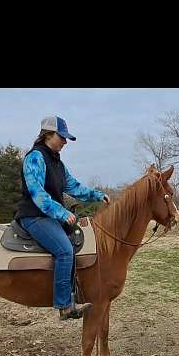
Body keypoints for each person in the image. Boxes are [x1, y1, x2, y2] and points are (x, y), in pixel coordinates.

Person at [15, 116, 110, 321]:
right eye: (62, 137)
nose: (65, 142)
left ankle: (77, 292)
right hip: (34, 216)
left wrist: (97, 195)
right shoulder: (35, 158)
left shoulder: (57, 163)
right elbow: (37, 193)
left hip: (49, 217)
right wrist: (62, 213)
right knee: (65, 251)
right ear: (48, 134)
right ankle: (64, 305)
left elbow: (74, 187)